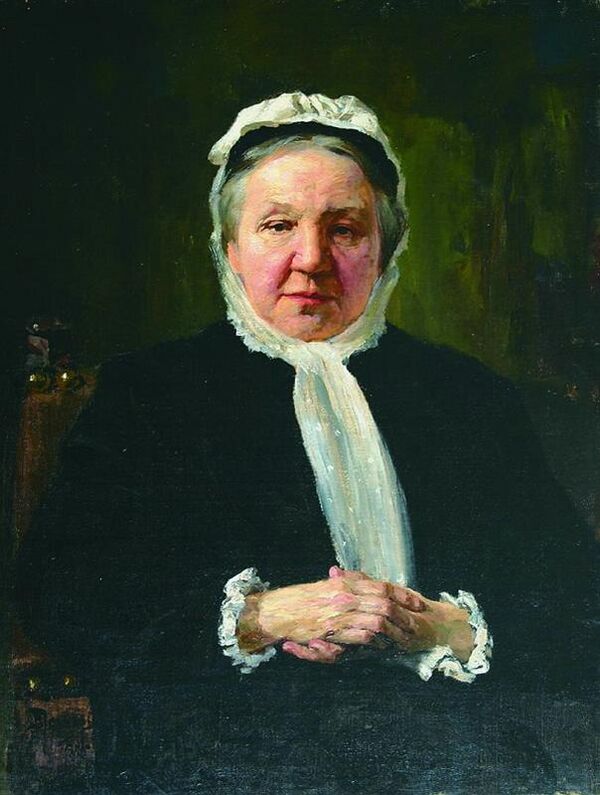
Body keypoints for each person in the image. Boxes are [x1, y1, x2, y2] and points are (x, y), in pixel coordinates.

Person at [16, 92, 597, 794]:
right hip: (224, 753)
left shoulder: (468, 396)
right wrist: (261, 617)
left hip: (457, 751)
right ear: (231, 249)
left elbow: (576, 602)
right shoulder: (152, 393)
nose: (312, 259)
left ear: (385, 247)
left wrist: (446, 629)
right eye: (278, 225)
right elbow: (59, 591)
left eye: (344, 229)